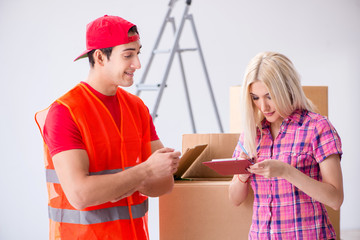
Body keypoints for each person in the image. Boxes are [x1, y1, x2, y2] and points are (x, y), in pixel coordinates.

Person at [35, 15, 181, 240]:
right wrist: (145, 172)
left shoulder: (136, 108)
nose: (137, 64)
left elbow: (165, 183)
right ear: (100, 57)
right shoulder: (65, 112)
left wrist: (119, 185)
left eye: (137, 53)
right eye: (127, 55)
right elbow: (81, 195)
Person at [228, 52, 343, 240]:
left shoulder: (317, 127)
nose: (263, 106)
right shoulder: (251, 134)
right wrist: (242, 173)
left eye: (269, 96)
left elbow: (336, 199)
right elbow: (235, 199)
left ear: (287, 89)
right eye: (255, 98)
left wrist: (286, 171)